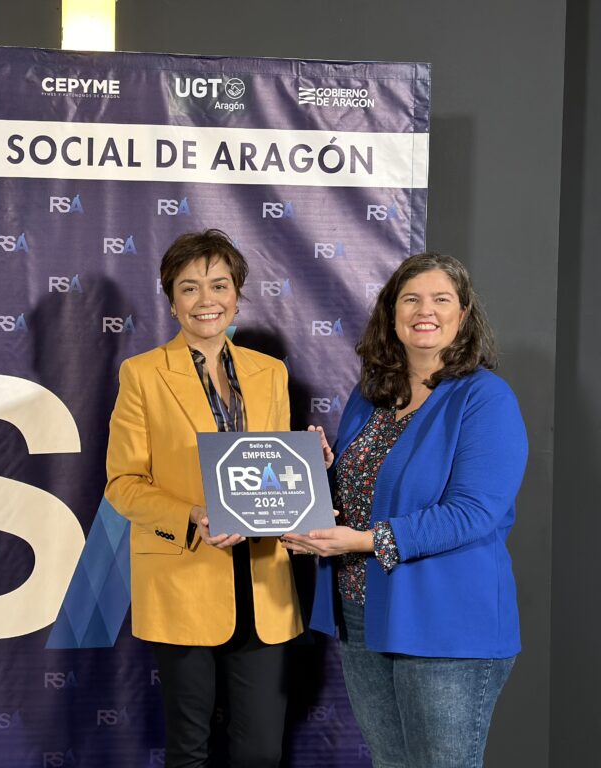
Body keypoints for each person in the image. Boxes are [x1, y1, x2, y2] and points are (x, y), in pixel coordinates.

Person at [281, 252, 528, 768]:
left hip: (445, 620)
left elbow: (472, 512)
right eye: (411, 299)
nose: (425, 311)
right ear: (391, 314)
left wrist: (363, 541)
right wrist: (319, 473)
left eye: (441, 299)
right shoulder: (371, 394)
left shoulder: (485, 398)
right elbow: (365, 495)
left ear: (463, 314)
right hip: (363, 611)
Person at [105, 229, 301, 767]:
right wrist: (193, 514)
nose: (205, 300)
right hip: (183, 576)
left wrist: (309, 467)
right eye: (189, 288)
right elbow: (123, 483)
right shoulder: (142, 374)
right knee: (189, 750)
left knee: (261, 750)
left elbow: (275, 469)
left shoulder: (271, 373)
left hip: (262, 581)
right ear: (172, 301)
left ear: (237, 294)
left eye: (219, 285)